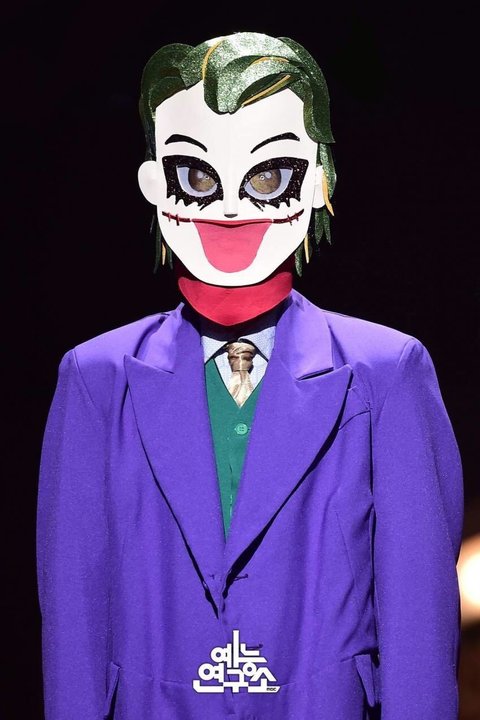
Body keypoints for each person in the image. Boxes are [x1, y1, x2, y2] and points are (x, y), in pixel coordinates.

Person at [36, 32, 464, 720]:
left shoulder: (387, 372)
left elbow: (419, 613)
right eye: (197, 176)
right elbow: (74, 613)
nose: (231, 207)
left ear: (319, 181)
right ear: (155, 185)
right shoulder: (95, 379)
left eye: (268, 176)